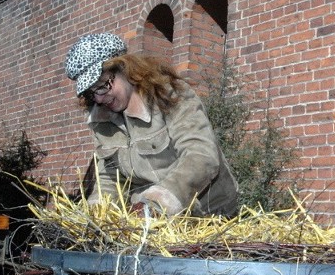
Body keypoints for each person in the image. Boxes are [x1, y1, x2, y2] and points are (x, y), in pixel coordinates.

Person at [65, 32, 239, 217]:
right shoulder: (102, 119)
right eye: (92, 93)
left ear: (125, 69)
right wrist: (99, 211)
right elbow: (110, 176)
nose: (99, 98)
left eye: (102, 86)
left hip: (208, 214)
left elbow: (201, 157)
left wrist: (158, 203)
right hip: (148, 219)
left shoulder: (170, 96)